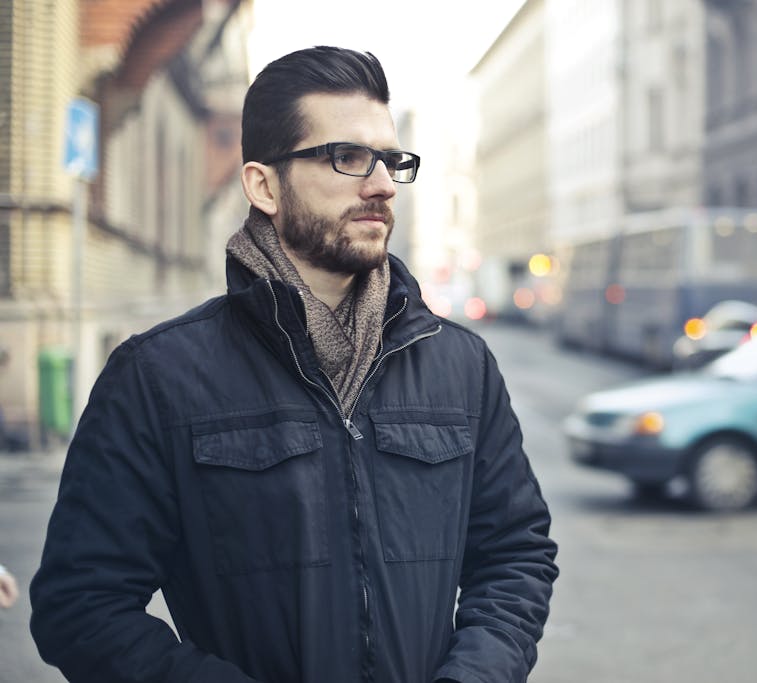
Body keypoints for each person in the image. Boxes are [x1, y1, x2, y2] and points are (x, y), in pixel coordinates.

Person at [30, 46, 558, 683]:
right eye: (348, 157)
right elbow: (81, 606)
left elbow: (515, 555)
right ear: (263, 185)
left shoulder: (461, 365)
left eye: (391, 161)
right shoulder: (157, 377)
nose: (383, 184)